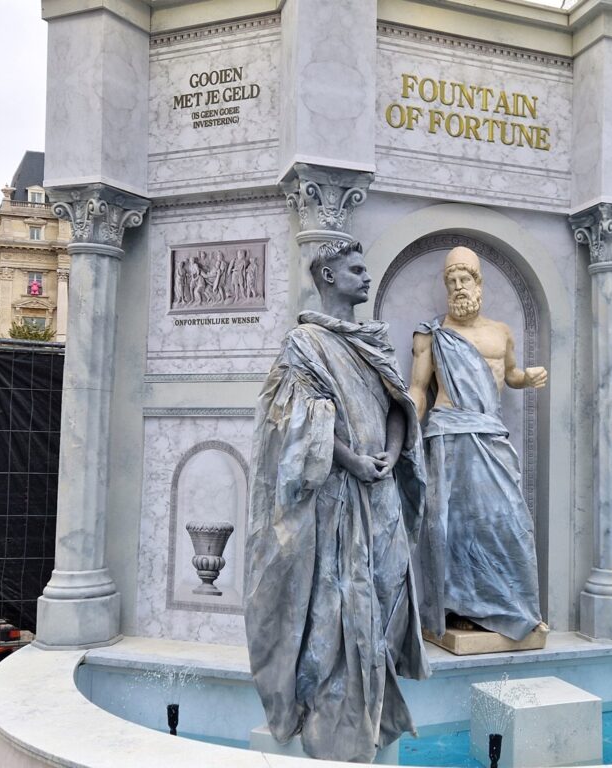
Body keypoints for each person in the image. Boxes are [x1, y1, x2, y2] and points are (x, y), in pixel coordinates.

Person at [245, 240, 429, 762]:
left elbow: (398, 403)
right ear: (327, 275)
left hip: (381, 493)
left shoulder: (374, 341)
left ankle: (373, 703)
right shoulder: (303, 343)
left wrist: (392, 453)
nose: (367, 277)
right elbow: (297, 421)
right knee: (337, 606)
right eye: (356, 269)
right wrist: (351, 460)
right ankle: (335, 718)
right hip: (338, 497)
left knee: (387, 592)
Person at [408, 246, 546, 642]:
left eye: (464, 279)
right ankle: (459, 609)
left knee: (508, 521)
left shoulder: (500, 331)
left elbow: (511, 373)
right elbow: (418, 391)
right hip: (448, 435)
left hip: (489, 433)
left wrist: (526, 378)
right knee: (453, 527)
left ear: (478, 282)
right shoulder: (431, 334)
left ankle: (514, 608)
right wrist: (402, 436)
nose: (457, 287)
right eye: (451, 281)